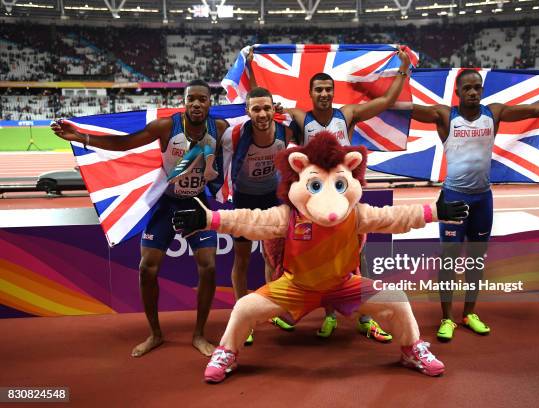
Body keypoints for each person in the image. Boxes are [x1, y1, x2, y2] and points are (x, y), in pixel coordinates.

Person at [172, 132, 470, 383]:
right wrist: (209, 218)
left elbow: (394, 217)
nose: (330, 202)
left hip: (343, 284)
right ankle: (228, 353)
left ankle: (411, 349)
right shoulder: (287, 216)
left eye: (339, 184)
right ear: (298, 176)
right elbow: (249, 220)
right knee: (244, 308)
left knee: (397, 300)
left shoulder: (356, 214)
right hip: (296, 286)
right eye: (315, 185)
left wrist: (433, 212)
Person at [408, 69, 539, 341]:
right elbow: (403, 108)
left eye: (477, 88)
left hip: (483, 199)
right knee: (448, 261)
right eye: (467, 88)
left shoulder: (493, 113)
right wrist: (383, 85)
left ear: (482, 90)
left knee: (476, 261)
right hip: (453, 199)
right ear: (457, 92)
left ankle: (469, 313)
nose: (473, 92)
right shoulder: (445, 116)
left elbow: (535, 109)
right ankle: (447, 318)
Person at [51, 80, 229, 357]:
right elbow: (125, 143)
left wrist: (276, 112)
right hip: (167, 203)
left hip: (197, 204)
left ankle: (199, 334)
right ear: (184, 102)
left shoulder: (220, 129)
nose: (196, 104)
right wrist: (81, 138)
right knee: (147, 268)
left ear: (210, 103)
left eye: (202, 99)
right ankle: (155, 334)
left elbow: (254, 128)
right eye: (190, 99)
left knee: (208, 267)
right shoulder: (166, 127)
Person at [246, 46, 412, 341]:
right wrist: (249, 68)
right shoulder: (300, 117)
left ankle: (365, 318)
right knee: (319, 257)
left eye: (327, 89)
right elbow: (264, 102)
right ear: (310, 93)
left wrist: (403, 65)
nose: (323, 94)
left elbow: (386, 100)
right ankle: (330, 316)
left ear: (333, 92)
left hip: (345, 199)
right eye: (318, 90)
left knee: (355, 255)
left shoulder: (346, 115)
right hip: (313, 204)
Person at [220, 87, 295, 345]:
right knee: (241, 259)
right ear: (247, 111)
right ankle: (244, 317)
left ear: (275, 108)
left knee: (272, 257)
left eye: (267, 108)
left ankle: (271, 310)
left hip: (272, 197)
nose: (262, 114)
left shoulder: (286, 131)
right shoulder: (235, 134)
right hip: (244, 199)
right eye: (256, 109)